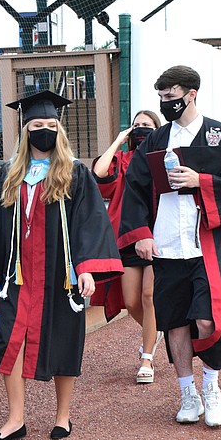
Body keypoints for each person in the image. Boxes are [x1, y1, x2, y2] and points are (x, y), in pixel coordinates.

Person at [0, 90, 122, 440]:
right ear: (25, 130)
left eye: (50, 125)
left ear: (60, 129)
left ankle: (63, 416)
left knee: (64, 340)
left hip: (61, 275)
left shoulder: (75, 174)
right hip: (18, 276)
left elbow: (89, 222)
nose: (44, 130)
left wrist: (86, 268)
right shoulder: (8, 175)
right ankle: (15, 419)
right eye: (37, 125)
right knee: (11, 341)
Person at [118, 66, 221, 427]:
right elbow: (133, 187)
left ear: (191, 93)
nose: (166, 103)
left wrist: (202, 181)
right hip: (166, 245)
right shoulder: (155, 140)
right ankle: (187, 392)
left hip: (207, 244)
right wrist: (141, 234)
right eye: (162, 97)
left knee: (208, 317)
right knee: (175, 322)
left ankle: (211, 384)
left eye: (171, 96)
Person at [91, 109, 163, 383]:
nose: (141, 129)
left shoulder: (163, 157)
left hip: (157, 235)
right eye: (137, 125)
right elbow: (98, 175)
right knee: (132, 301)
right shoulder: (122, 159)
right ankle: (156, 331)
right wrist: (119, 140)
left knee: (148, 296)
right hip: (125, 236)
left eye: (147, 125)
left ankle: (147, 358)